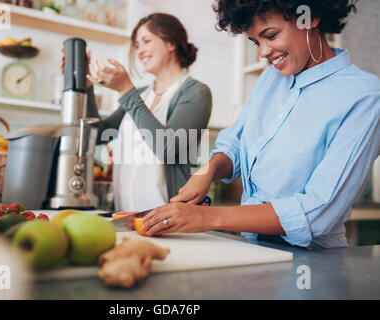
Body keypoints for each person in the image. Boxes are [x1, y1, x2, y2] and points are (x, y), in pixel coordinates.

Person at [142, 0, 380, 249]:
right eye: (255, 42)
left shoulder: (363, 96)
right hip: (254, 248)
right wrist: (208, 171)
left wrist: (206, 217)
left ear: (311, 17)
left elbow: (318, 210)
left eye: (271, 35)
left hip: (313, 263)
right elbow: (235, 144)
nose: (262, 52)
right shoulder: (271, 78)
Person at [77, 13, 212, 211]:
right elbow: (97, 135)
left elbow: (167, 149)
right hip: (125, 216)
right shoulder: (141, 95)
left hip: (169, 219)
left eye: (146, 41)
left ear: (171, 43)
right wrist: (87, 88)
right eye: (137, 45)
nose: (140, 51)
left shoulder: (195, 92)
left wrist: (125, 90)